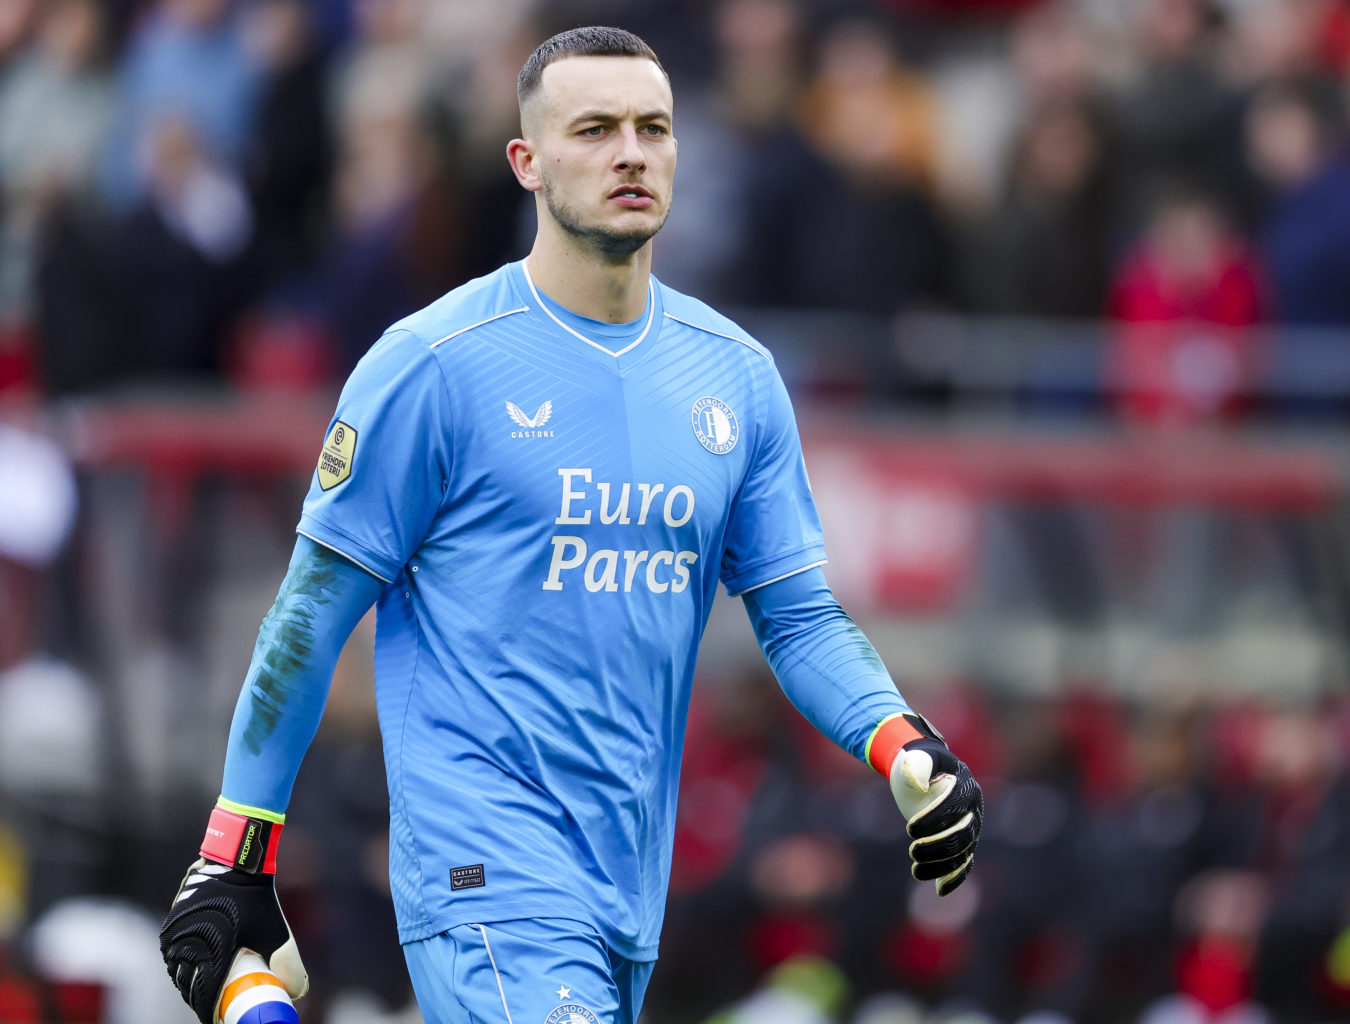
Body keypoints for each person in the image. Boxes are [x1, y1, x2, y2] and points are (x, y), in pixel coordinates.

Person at [158, 26, 983, 1024]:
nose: (631, 152)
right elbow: (309, 615)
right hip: (486, 879)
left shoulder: (737, 377)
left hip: (628, 891)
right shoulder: (433, 363)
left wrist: (900, 739)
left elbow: (799, 614)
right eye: (593, 129)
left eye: (653, 128)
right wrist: (235, 853)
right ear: (528, 162)